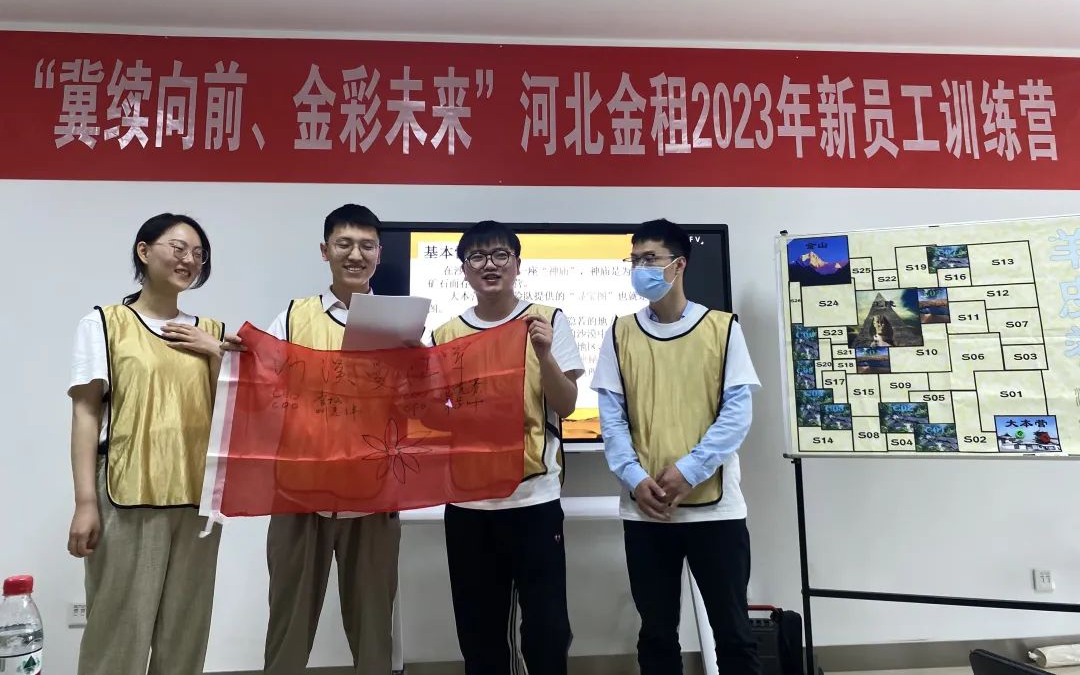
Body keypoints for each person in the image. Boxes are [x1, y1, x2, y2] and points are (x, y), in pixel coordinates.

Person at [67, 212, 238, 675]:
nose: (189, 260)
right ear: (144, 251)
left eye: (198, 254)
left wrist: (216, 352)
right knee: (117, 631)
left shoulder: (214, 334)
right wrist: (85, 503)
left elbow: (244, 411)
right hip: (126, 497)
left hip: (197, 503)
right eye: (178, 248)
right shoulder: (106, 323)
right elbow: (86, 413)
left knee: (185, 633)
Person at [592, 218, 762, 675]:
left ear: (679, 264)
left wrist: (690, 470)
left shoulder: (722, 328)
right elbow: (611, 418)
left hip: (715, 511)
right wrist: (633, 477)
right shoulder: (619, 332)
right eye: (634, 260)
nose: (640, 269)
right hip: (645, 509)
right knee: (656, 634)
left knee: (733, 633)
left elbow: (737, 414)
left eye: (650, 259)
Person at [431, 221, 583, 675]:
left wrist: (545, 355)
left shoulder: (547, 320)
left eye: (500, 255)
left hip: (532, 499)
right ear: (463, 269)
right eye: (477, 257)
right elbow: (434, 417)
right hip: (468, 504)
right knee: (479, 632)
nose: (489, 265)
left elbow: (566, 405)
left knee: (547, 629)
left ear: (517, 264)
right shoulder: (445, 335)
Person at [263, 203, 400, 674]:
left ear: (379, 253)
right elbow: (261, 385)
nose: (355, 255)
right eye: (344, 244)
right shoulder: (292, 316)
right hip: (300, 496)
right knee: (288, 625)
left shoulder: (399, 322)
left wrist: (418, 365)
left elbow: (422, 405)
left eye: (366, 246)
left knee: (374, 629)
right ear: (325, 251)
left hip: (374, 497)